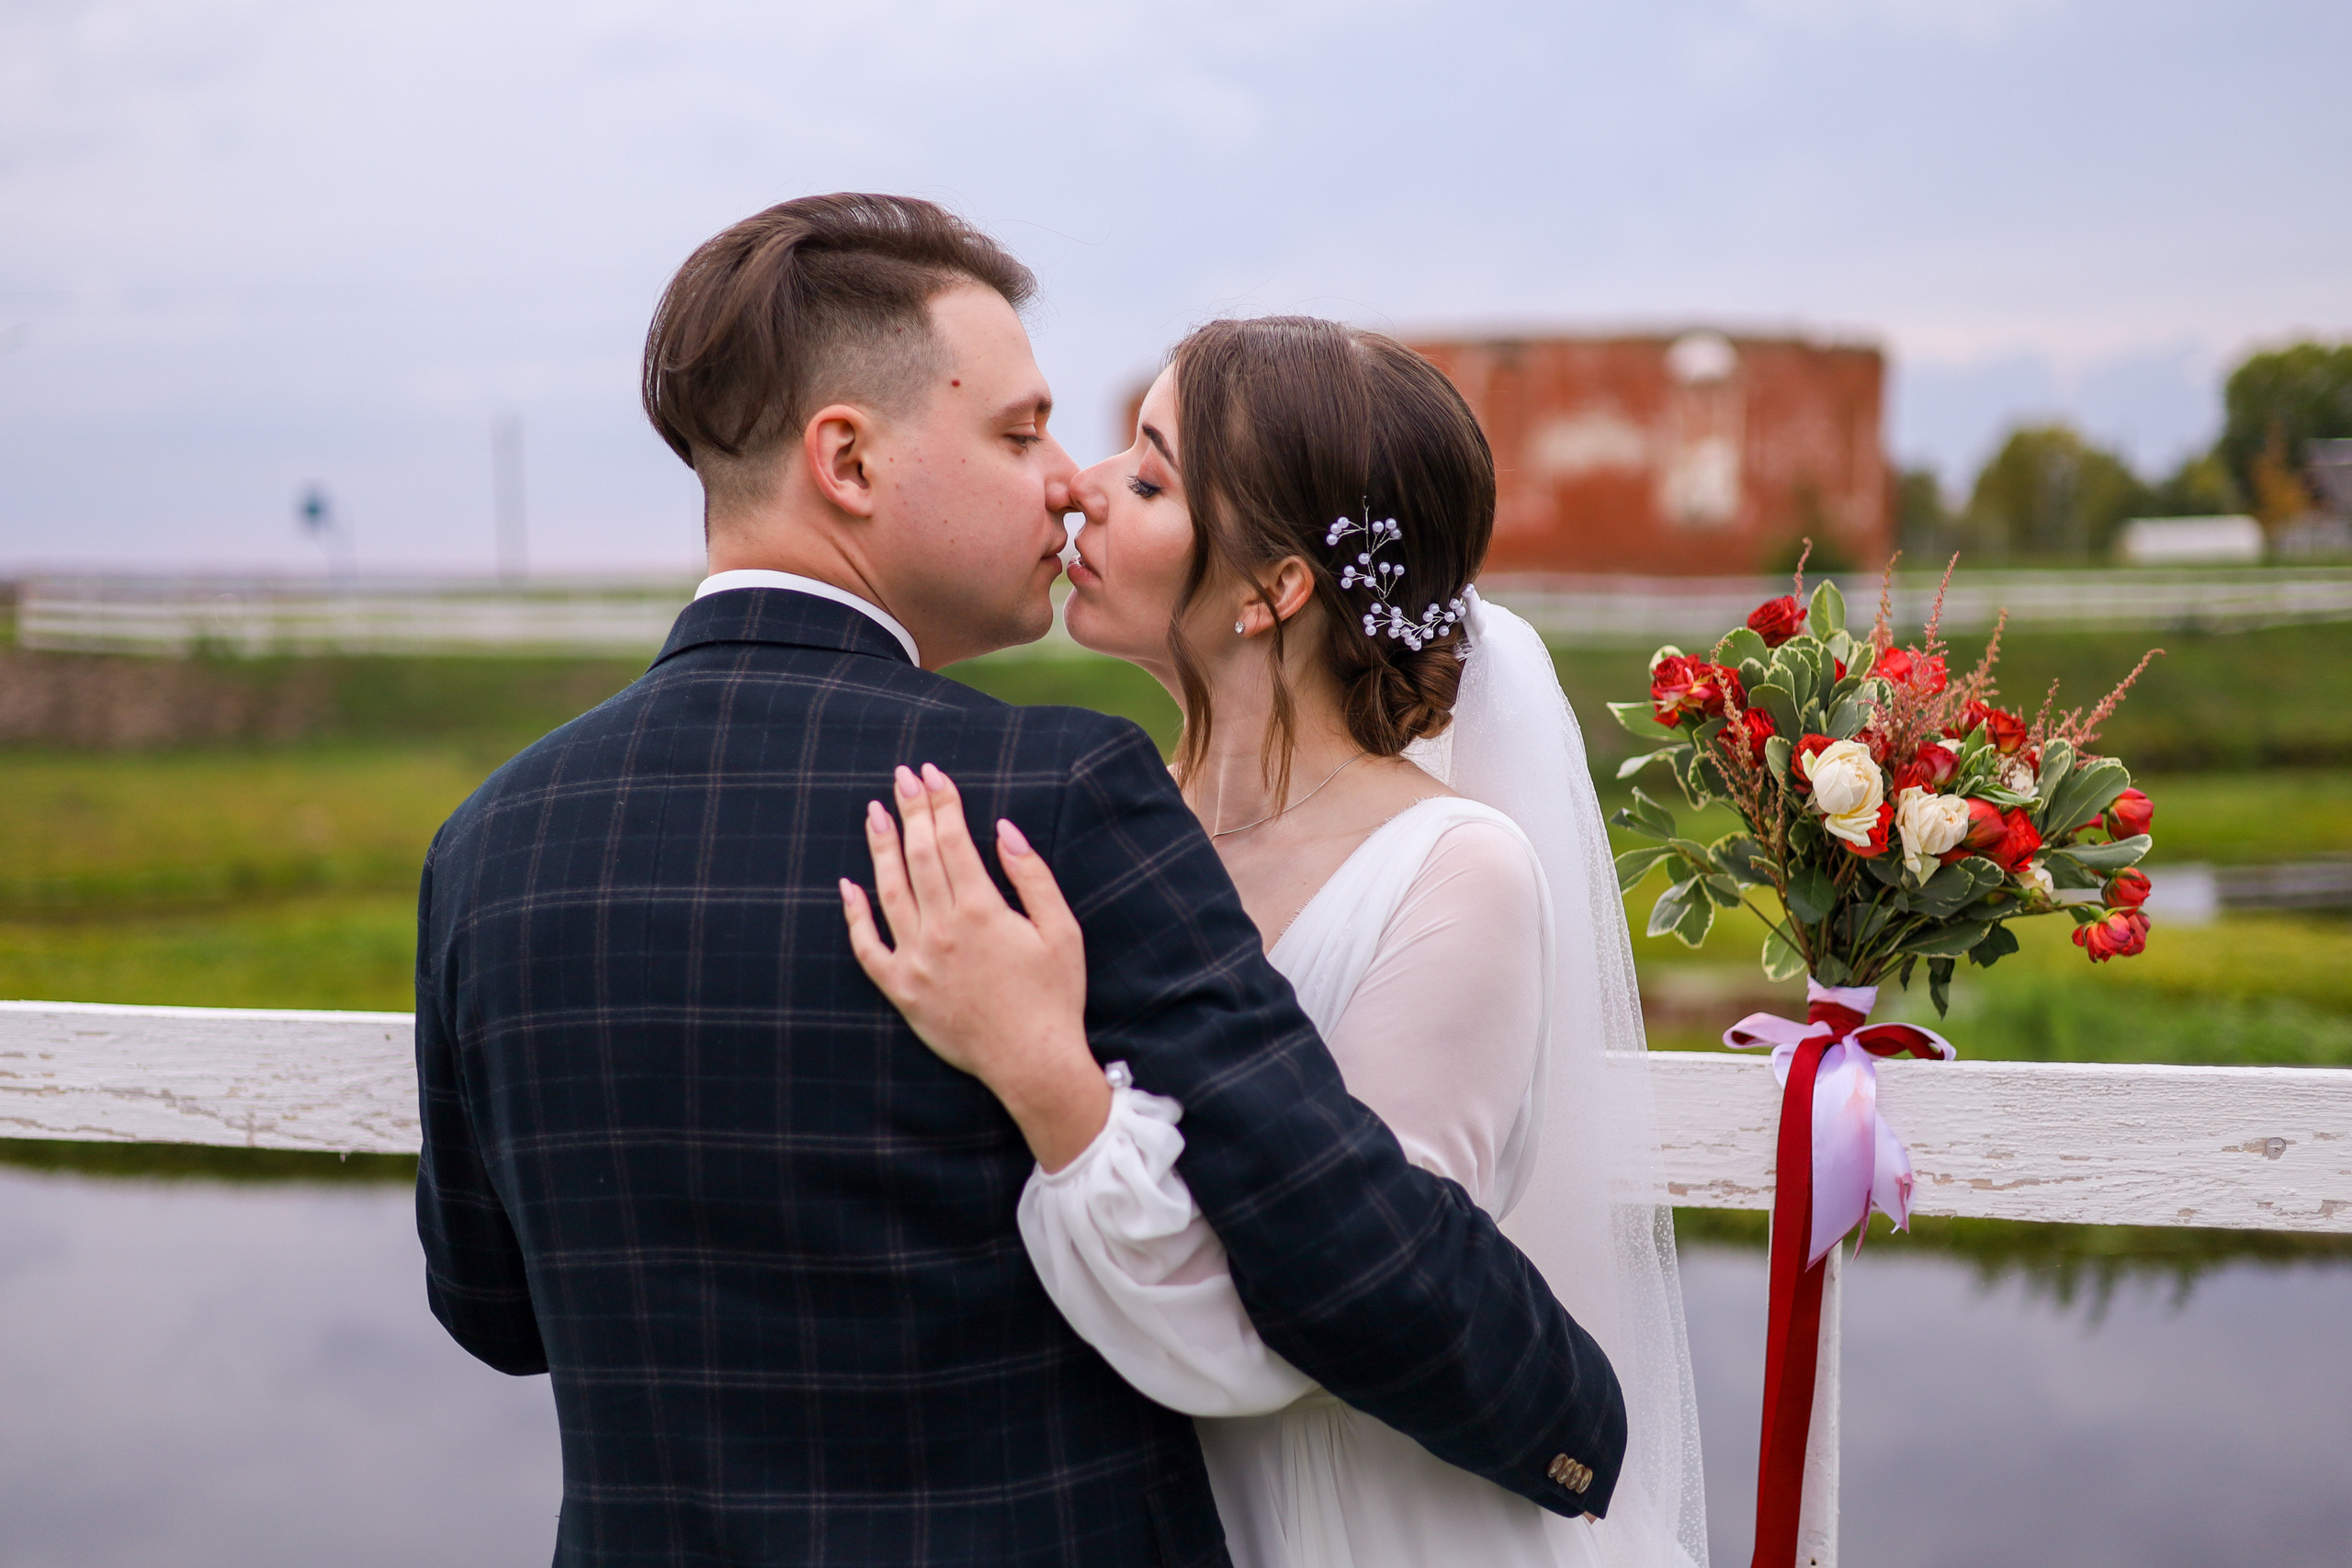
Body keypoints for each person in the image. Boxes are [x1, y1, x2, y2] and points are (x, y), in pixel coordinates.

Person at [413, 194, 1625, 1566]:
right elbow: (1345, 1253)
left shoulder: (484, 844)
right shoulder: (1051, 799)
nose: (1068, 481)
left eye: (1127, 461)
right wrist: (1573, 1419)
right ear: (849, 459)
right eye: (1018, 432)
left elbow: (492, 1309)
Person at [842, 317, 1708, 1567]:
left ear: (1273, 590)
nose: (1078, 486)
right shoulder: (1116, 820)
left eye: (1146, 478)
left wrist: (1044, 1075)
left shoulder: (1456, 873)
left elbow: (1347, 1310)